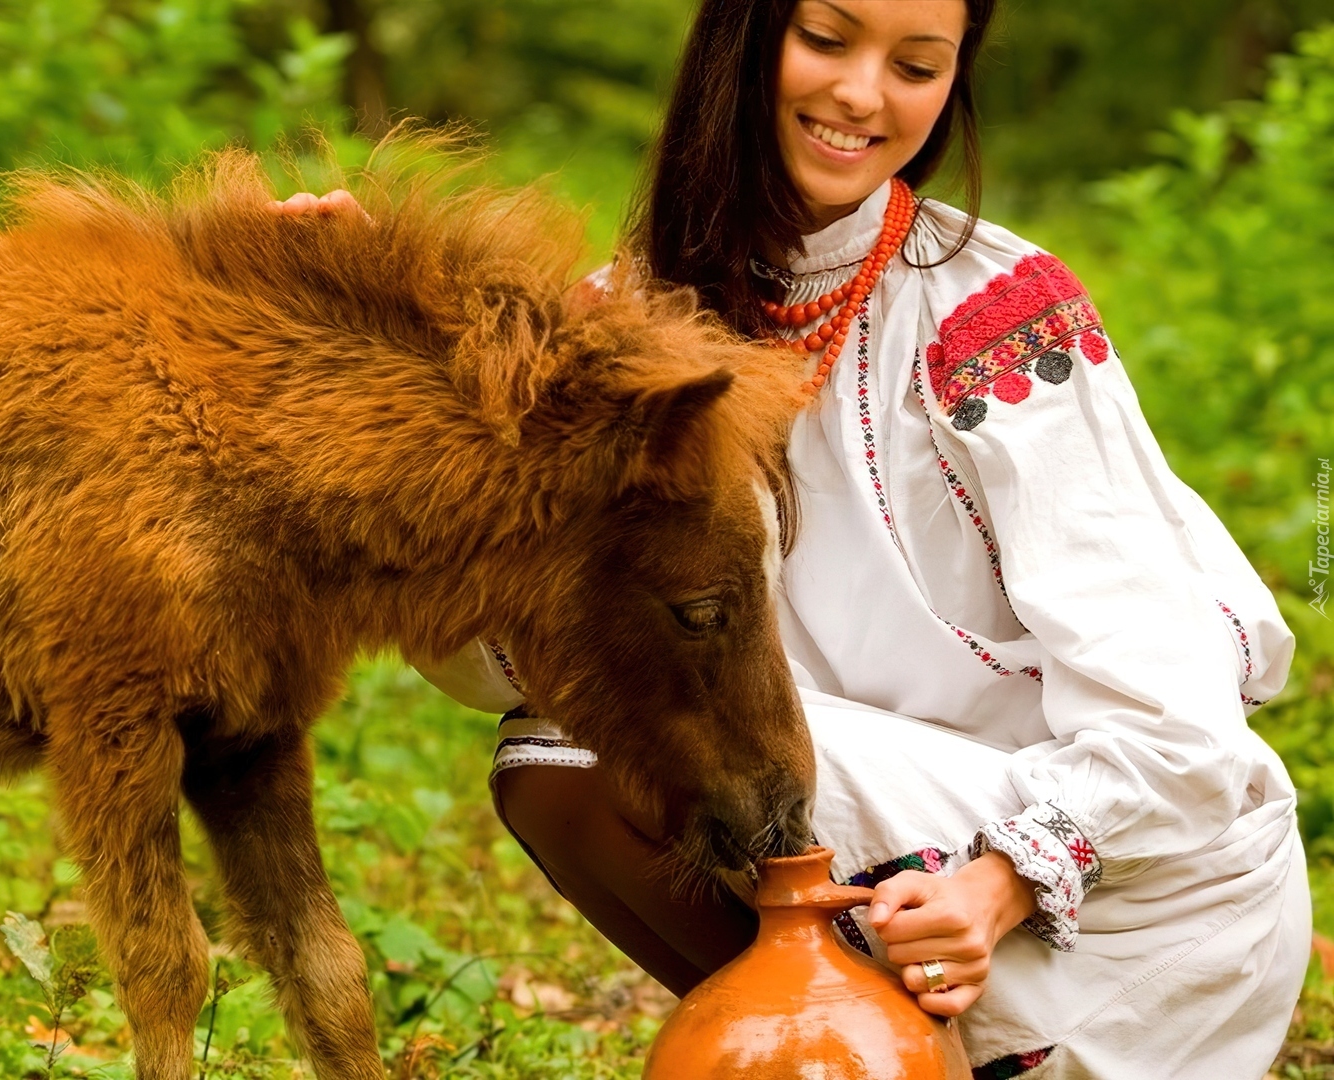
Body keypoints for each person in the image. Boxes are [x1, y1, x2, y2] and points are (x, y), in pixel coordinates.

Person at [275, 1, 1311, 1075]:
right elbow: (509, 665)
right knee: (568, 754)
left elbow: (1178, 724)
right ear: (745, 38)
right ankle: (842, 1049)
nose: (864, 95)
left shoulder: (998, 314)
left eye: (916, 64)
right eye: (826, 40)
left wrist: (1000, 881)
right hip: (877, 845)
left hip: (1134, 905)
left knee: (601, 750)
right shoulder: (616, 325)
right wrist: (391, 372)